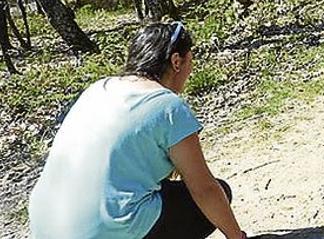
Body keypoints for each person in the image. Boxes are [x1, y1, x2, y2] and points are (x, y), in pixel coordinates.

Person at [28, 23, 247, 239]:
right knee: (219, 192)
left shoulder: (98, 89)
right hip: (108, 229)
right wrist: (236, 237)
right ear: (176, 61)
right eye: (190, 60)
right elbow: (204, 188)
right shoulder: (168, 106)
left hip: (45, 224)